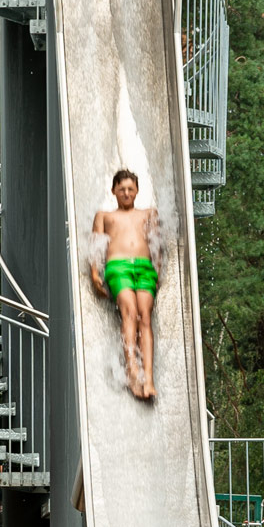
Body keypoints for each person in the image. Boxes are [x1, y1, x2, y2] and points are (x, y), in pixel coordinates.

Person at [89, 168, 164, 401]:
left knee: (145, 317)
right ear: (113, 191)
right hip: (118, 266)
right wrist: (94, 272)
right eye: (121, 189)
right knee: (129, 313)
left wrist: (158, 268)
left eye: (130, 189)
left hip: (144, 268)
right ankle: (133, 372)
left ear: (138, 191)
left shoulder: (149, 213)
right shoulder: (104, 216)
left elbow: (156, 243)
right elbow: (96, 245)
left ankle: (149, 378)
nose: (126, 193)